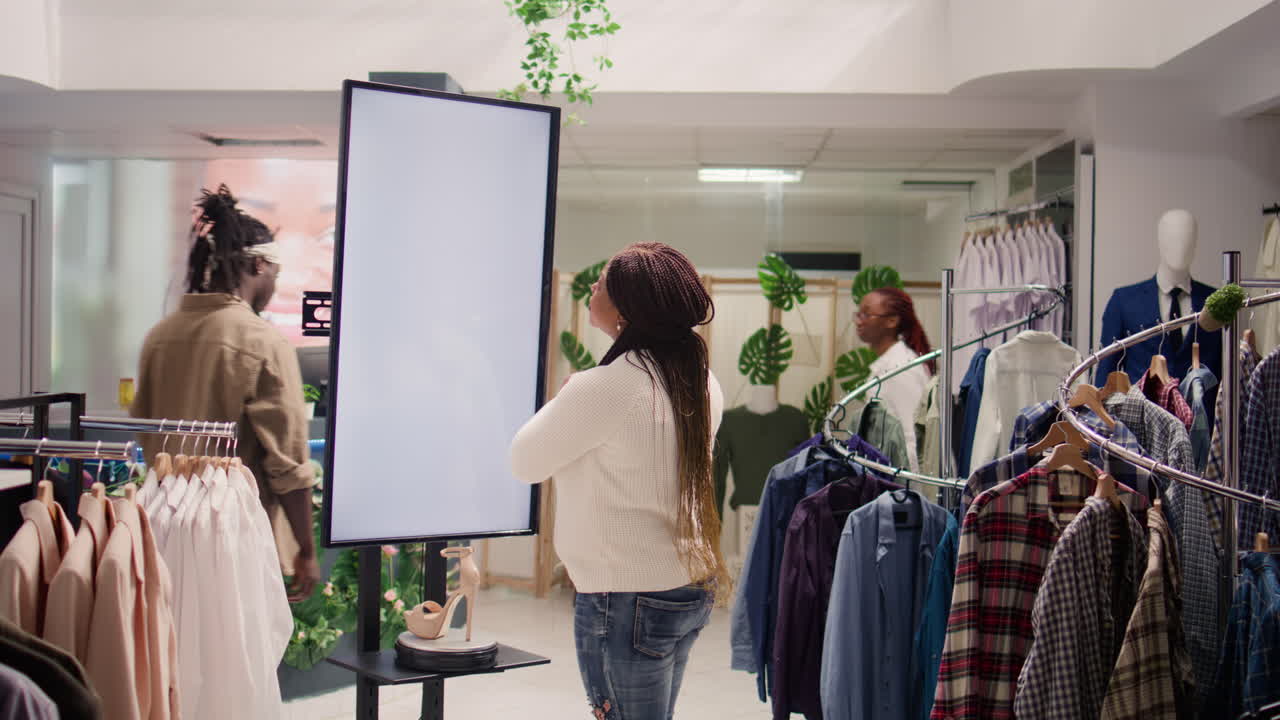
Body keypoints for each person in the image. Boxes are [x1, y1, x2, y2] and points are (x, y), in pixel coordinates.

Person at [509, 242, 727, 720]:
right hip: (686, 584)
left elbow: (524, 461)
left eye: (603, 282)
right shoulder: (702, 381)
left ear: (628, 307)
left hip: (626, 598)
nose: (592, 287)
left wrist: (568, 397)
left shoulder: (606, 387)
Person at [131, 184, 319, 601]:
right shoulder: (262, 342)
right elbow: (287, 465)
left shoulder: (158, 337)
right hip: (232, 537)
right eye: (276, 274)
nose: (274, 284)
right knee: (237, 658)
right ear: (257, 265)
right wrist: (306, 549)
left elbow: (144, 434)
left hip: (159, 529)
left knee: (166, 652)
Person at [854, 287, 933, 472]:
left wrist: (909, 493)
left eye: (866, 314)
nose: (859, 321)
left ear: (892, 321)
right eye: (858, 314)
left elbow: (912, 437)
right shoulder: (888, 364)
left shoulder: (900, 368)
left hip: (904, 485)